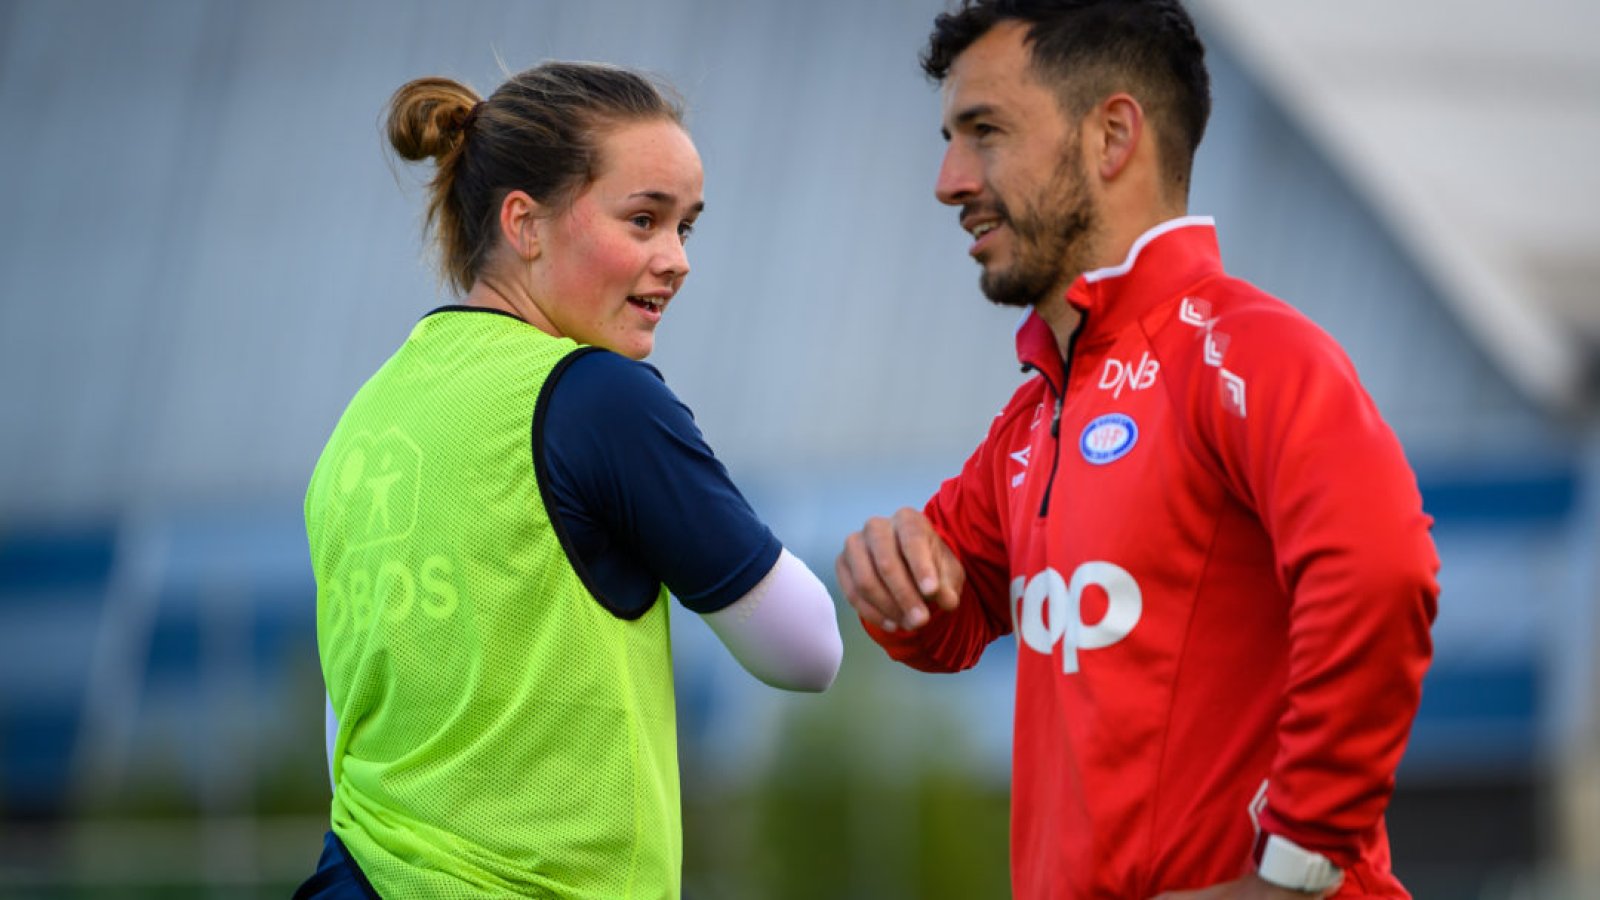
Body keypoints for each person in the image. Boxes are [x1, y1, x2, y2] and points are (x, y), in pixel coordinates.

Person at [834, 2, 1439, 897]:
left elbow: (1382, 572)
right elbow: (949, 618)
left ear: (1112, 136)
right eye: (950, 139)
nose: (949, 181)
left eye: (985, 131)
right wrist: (894, 576)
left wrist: (1295, 867)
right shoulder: (1035, 413)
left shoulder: (1248, 351)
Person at [295, 62, 842, 899]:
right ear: (525, 223)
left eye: (686, 227)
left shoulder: (362, 422)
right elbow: (807, 650)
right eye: (644, 219)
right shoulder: (599, 398)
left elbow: (347, 723)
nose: (676, 260)